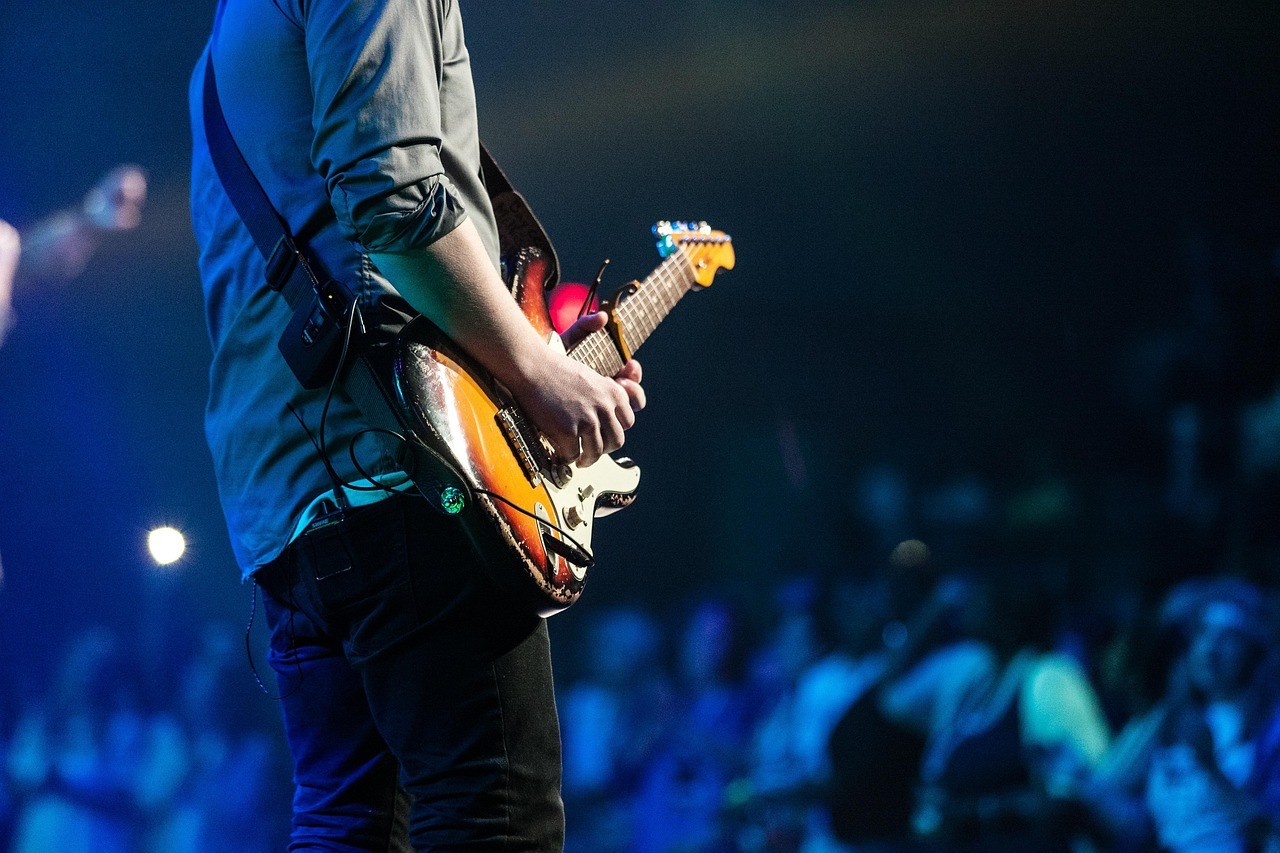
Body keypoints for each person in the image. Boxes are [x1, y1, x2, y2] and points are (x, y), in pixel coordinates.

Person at [188, 0, 645, 848]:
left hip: (289, 499)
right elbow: (393, 203)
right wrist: (538, 369)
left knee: (346, 826)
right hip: (408, 471)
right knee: (493, 817)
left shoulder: (234, 25)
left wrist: (527, 349)